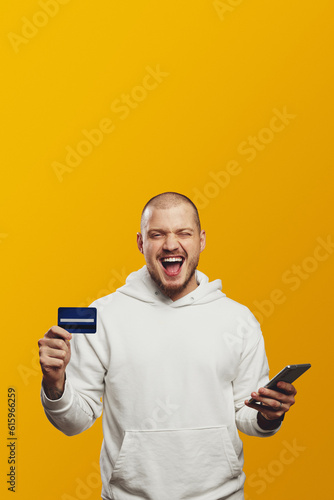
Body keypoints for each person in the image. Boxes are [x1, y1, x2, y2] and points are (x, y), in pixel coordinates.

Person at [38, 192, 296, 500]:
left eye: (183, 233)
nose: (171, 244)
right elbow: (74, 422)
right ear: (140, 243)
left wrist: (270, 414)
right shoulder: (104, 316)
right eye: (157, 234)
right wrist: (55, 384)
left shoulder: (238, 320)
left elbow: (247, 415)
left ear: (201, 240)